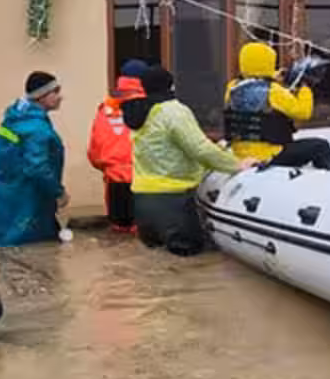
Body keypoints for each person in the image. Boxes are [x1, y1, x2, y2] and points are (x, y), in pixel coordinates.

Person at [123, 67, 255, 256]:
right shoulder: (174, 111)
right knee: (189, 269)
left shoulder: (139, 115)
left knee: (158, 265)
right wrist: (236, 164)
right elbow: (199, 149)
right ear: (171, 85)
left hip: (143, 204)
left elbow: (163, 150)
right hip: (173, 204)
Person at [0, 71, 68, 247]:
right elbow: (37, 167)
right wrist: (58, 192)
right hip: (26, 202)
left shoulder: (16, 118)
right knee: (29, 257)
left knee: (6, 247)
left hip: (8, 196)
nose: (60, 97)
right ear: (41, 97)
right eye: (55, 92)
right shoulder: (36, 128)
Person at [224, 42, 330, 169]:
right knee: (320, 146)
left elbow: (255, 82)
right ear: (269, 63)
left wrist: (275, 77)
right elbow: (303, 112)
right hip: (270, 156)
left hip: (243, 156)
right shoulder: (274, 91)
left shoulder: (232, 88)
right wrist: (304, 86)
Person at [87, 59, 147, 233]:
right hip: (142, 179)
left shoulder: (106, 108)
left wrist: (108, 167)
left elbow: (95, 148)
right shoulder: (149, 106)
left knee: (118, 233)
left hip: (114, 181)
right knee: (142, 237)